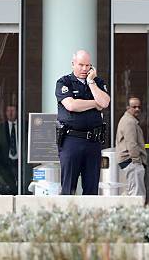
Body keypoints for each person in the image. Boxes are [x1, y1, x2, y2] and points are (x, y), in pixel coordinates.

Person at [56, 50, 110, 195]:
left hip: (93, 141)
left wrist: (91, 82)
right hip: (71, 140)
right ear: (73, 64)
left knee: (92, 188)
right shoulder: (64, 82)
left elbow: (104, 102)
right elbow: (71, 105)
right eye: (81, 65)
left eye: (88, 65)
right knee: (69, 188)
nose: (84, 69)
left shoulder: (97, 82)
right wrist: (94, 103)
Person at [115, 97, 147, 197]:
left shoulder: (129, 120)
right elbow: (131, 143)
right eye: (134, 107)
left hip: (130, 161)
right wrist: (137, 161)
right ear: (128, 107)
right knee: (136, 194)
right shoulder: (129, 122)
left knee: (132, 191)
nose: (137, 109)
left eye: (139, 107)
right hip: (132, 161)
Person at [0, 104, 19, 193]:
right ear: (5, 113)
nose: (10, 113)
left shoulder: (24, 125)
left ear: (17, 112)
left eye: (13, 111)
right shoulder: (0, 128)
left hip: (20, 161)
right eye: (8, 111)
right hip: (6, 162)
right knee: (9, 185)